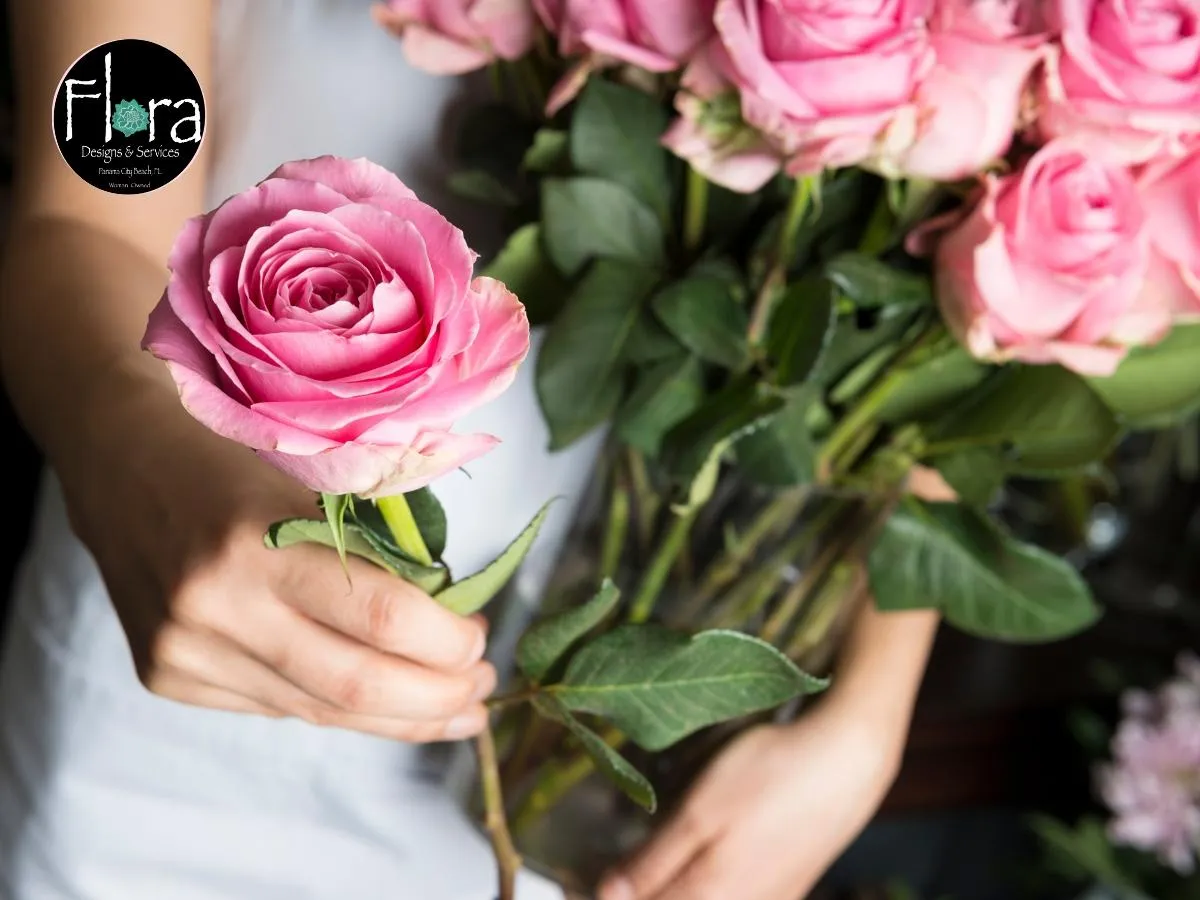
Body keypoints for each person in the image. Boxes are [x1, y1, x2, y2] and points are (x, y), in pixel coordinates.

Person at [0, 2, 940, 899]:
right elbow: (84, 211)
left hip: (617, 788)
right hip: (180, 726)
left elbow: (966, 303)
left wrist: (869, 714)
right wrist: (129, 452)